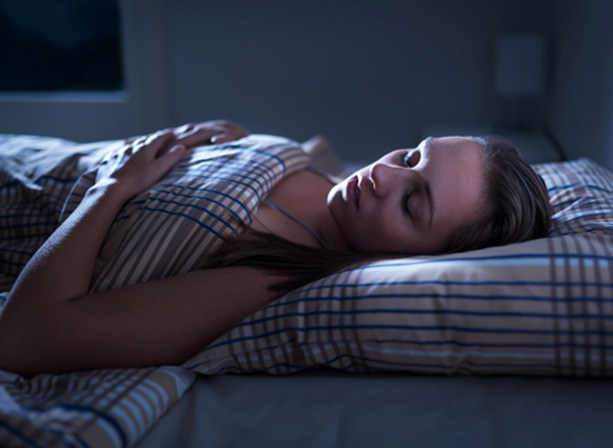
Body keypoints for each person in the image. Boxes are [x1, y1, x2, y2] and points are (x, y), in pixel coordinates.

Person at [0, 120, 551, 376]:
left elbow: (27, 337)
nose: (382, 174)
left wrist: (111, 189)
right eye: (411, 156)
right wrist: (231, 140)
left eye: (412, 204)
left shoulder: (265, 280)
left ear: (417, 263)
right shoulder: (324, 177)